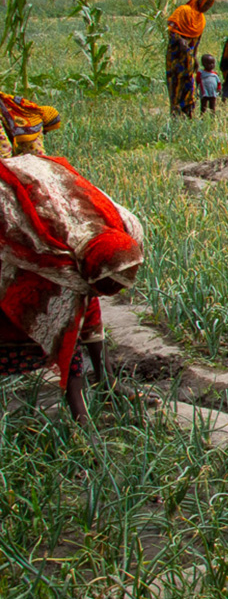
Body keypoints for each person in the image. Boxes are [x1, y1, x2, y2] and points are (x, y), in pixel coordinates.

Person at [1, 100, 144, 424]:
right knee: (58, 313)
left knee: (84, 302)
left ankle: (104, 379)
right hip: (17, 215)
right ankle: (79, 412)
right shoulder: (39, 243)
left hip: (49, 202)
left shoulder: (115, 221)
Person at [165, 0, 213, 118]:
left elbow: (196, 41)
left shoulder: (201, 19)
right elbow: (171, 29)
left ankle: (188, 112)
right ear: (199, 0)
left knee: (190, 84)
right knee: (176, 84)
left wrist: (195, 57)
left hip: (189, 58)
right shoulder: (183, 10)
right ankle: (175, 112)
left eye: (210, 5)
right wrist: (180, 40)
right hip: (176, 58)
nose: (207, 7)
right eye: (206, 3)